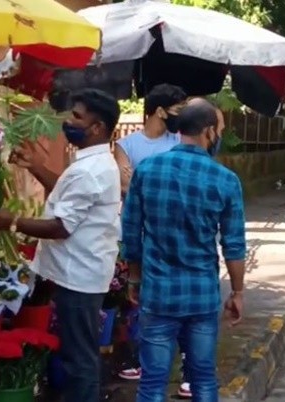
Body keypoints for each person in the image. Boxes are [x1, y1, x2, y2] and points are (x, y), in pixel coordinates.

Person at [0, 88, 122, 402]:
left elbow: (61, 226)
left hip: (78, 277)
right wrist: (35, 165)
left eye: (77, 116)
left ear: (97, 128)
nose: (68, 120)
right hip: (81, 272)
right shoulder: (92, 164)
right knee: (79, 353)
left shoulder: (90, 170)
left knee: (80, 359)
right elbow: (67, 195)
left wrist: (10, 221)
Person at [122, 99, 246, 402]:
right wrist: (238, 293)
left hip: (159, 294)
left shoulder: (147, 170)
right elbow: (233, 244)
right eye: (219, 130)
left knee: (151, 382)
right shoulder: (226, 180)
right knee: (203, 378)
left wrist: (134, 279)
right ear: (207, 132)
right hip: (201, 296)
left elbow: (131, 231)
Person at [113, 84, 191, 395]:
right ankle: (144, 360)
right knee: (140, 302)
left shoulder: (180, 142)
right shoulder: (126, 143)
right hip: (137, 235)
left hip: (174, 237)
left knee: (181, 304)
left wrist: (142, 184)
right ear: (160, 110)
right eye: (178, 109)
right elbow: (122, 184)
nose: (181, 116)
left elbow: (181, 188)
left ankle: (187, 369)